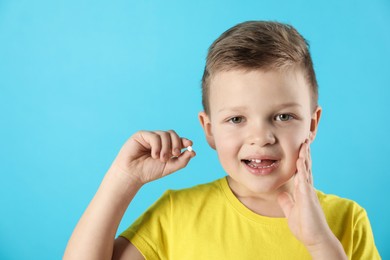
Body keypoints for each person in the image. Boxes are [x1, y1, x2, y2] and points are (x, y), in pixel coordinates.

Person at [63, 21, 380, 259]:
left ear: (312, 124)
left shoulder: (348, 220)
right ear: (209, 129)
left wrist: (320, 243)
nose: (260, 137)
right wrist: (123, 179)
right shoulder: (177, 214)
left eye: (283, 116)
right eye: (236, 119)